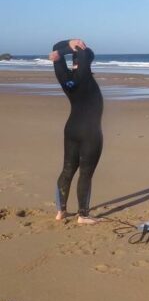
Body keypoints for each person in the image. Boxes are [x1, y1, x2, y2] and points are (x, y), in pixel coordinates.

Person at [48, 38, 103, 224]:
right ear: (87, 61)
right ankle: (83, 215)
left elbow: (56, 52)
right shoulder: (85, 76)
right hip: (90, 132)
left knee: (67, 170)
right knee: (85, 173)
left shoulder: (65, 77)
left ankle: (60, 211)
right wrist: (75, 47)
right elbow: (85, 54)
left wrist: (67, 45)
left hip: (71, 129)